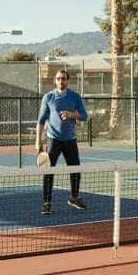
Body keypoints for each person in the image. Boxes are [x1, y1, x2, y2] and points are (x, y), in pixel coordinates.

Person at [35, 68, 88, 214]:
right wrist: (38, 141)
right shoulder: (48, 97)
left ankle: (74, 198)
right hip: (53, 140)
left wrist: (72, 114)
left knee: (76, 170)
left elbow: (84, 115)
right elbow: (40, 120)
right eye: (58, 78)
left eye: (63, 78)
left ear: (68, 81)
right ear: (55, 80)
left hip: (70, 140)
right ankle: (47, 202)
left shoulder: (75, 97)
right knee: (48, 171)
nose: (61, 81)